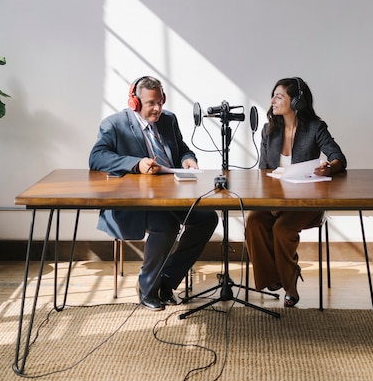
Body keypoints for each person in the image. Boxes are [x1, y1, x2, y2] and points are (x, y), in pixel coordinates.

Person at [89, 76, 218, 311]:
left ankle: (167, 281)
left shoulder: (168, 120)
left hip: (173, 194)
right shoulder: (114, 124)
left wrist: (188, 159)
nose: (157, 108)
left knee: (207, 218)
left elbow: (182, 148)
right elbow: (97, 157)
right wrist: (136, 164)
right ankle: (147, 287)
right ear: (134, 102)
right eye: (150, 103)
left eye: (160, 102)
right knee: (166, 226)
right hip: (137, 201)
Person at [245, 77, 347, 308]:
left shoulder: (315, 128)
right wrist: (268, 202)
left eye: (279, 96)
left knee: (282, 229)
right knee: (254, 221)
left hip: (306, 202)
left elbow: (338, 156)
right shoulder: (268, 131)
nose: (272, 100)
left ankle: (290, 284)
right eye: (273, 95)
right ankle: (273, 278)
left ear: (297, 101)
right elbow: (263, 171)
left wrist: (330, 167)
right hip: (275, 200)